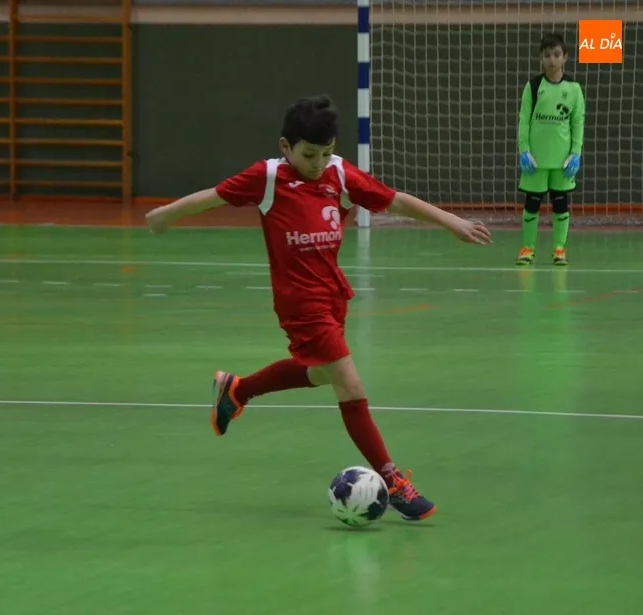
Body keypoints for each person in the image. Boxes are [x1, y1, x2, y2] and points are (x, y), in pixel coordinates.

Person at [145, 95, 491, 521]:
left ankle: (238, 390)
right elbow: (214, 196)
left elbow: (394, 199)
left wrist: (451, 221)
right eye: (309, 154)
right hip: (299, 303)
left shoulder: (339, 174)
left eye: (326, 153)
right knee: (350, 383)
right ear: (286, 147)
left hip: (331, 296)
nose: (318, 163)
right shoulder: (268, 177)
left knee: (321, 373)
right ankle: (394, 482)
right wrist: (165, 215)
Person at [516, 32, 585, 266]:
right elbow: (524, 120)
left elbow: (578, 122)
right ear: (541, 58)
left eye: (556, 55)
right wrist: (523, 150)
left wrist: (576, 153)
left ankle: (559, 249)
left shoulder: (574, 89)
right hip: (536, 159)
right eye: (547, 55)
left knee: (560, 204)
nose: (552, 60)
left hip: (562, 160)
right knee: (532, 203)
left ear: (565, 57)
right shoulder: (533, 86)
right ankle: (527, 248)